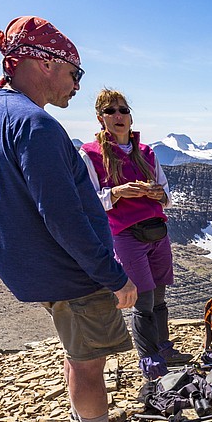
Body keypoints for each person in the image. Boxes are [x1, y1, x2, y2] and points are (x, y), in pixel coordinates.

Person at [0, 16, 158, 422]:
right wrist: (113, 276)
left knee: (77, 350)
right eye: (76, 72)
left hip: (30, 264)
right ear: (45, 63)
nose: (77, 85)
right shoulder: (36, 125)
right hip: (67, 268)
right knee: (90, 361)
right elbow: (63, 216)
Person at [79, 89, 191, 381]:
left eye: (123, 110)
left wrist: (157, 193)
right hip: (126, 235)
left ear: (130, 116)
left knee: (160, 294)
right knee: (143, 297)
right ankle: (149, 360)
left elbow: (166, 194)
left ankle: (164, 348)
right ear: (101, 118)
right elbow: (88, 199)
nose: (118, 116)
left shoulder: (147, 153)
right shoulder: (90, 154)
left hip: (157, 231)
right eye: (111, 111)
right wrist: (117, 193)